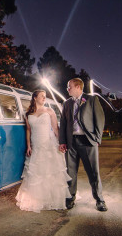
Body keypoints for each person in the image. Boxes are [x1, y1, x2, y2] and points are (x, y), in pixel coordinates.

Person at [16, 90, 72, 213]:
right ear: (35, 98)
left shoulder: (49, 111)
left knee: (49, 172)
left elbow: (55, 129)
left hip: (48, 144)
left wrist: (61, 143)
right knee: (37, 173)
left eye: (45, 97)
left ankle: (52, 198)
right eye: (42, 96)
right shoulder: (28, 113)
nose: (44, 98)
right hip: (36, 145)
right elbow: (28, 130)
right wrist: (29, 146)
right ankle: (37, 199)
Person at [59, 78, 107, 211]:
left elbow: (100, 119)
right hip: (71, 142)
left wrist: (97, 137)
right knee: (70, 172)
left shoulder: (91, 100)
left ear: (78, 86)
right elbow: (63, 123)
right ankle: (70, 198)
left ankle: (100, 200)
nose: (67, 89)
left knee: (93, 172)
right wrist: (62, 141)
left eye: (69, 87)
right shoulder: (67, 103)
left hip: (87, 141)